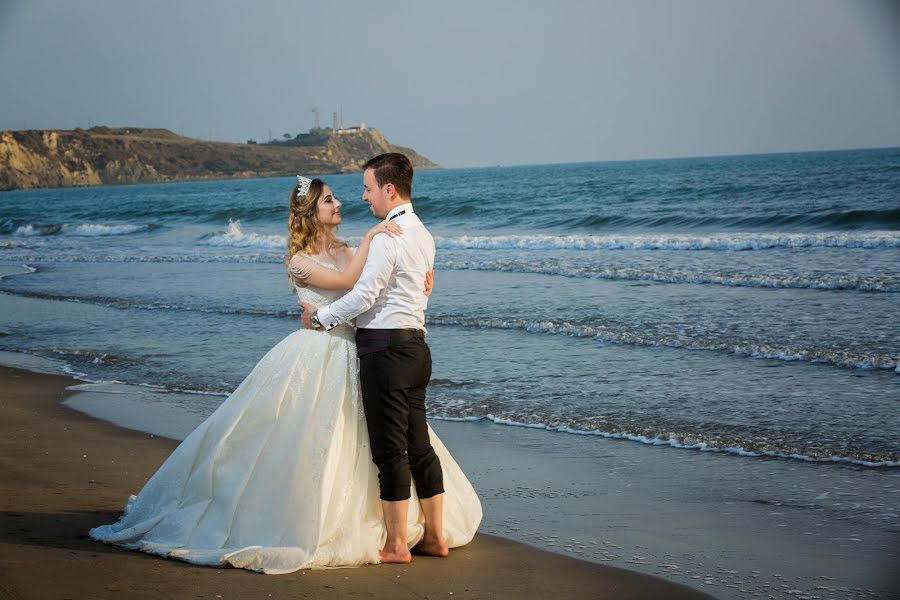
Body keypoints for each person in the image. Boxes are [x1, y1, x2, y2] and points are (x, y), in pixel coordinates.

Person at [88, 175, 482, 574]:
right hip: (318, 354)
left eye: (337, 198)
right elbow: (348, 284)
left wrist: (420, 288)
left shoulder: (352, 249)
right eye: (329, 200)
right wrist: (372, 238)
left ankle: (397, 526)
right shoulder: (300, 260)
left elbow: (375, 295)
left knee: (383, 439)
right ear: (311, 213)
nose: (340, 204)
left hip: (360, 351)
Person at [297, 153, 448, 564]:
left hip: (385, 351)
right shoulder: (423, 233)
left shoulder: (387, 237)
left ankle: (397, 545)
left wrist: (323, 319)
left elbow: (365, 296)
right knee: (420, 447)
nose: (363, 197)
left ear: (388, 189)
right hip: (418, 348)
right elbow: (420, 288)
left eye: (367, 188)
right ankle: (436, 537)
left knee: (391, 452)